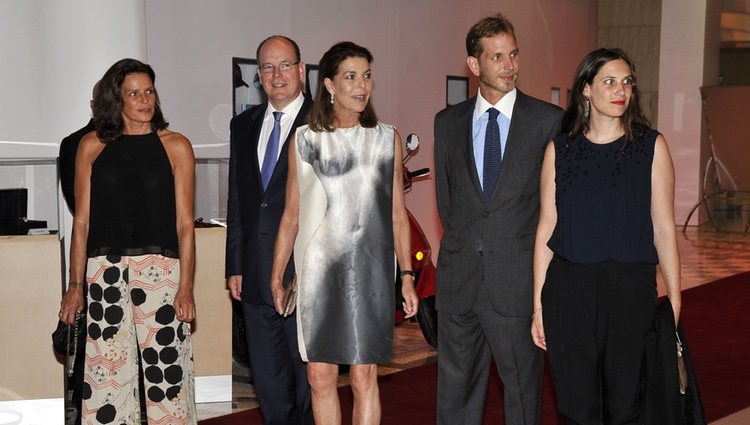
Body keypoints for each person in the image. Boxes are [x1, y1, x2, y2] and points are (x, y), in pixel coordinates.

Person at [269, 41, 418, 425]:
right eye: (351, 76)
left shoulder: (387, 138)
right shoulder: (304, 139)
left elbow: (398, 216)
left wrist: (406, 276)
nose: (362, 85)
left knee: (363, 374)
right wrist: (277, 274)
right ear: (330, 85)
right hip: (318, 271)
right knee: (319, 375)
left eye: (367, 76)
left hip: (370, 271)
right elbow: (291, 215)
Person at [530, 48, 681, 425]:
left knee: (627, 406)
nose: (620, 90)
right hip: (569, 293)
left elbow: (663, 227)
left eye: (627, 82)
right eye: (609, 81)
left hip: (630, 292)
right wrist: (538, 305)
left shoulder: (651, 146)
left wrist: (676, 299)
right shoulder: (559, 150)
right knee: (576, 408)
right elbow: (547, 228)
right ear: (585, 89)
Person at [433, 13, 563, 425]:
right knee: (455, 399)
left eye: (513, 55)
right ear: (474, 65)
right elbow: (448, 202)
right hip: (459, 282)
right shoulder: (447, 122)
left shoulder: (547, 121)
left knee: (523, 399)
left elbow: (552, 210)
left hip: (517, 283)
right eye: (497, 57)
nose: (510, 65)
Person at [58, 58, 197, 424]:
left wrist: (186, 286)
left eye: (149, 90)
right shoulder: (91, 146)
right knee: (107, 377)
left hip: (161, 272)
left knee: (168, 376)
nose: (144, 99)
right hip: (104, 273)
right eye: (133, 93)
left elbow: (185, 224)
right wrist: (75, 285)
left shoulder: (176, 146)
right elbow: (82, 221)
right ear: (116, 99)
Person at [225, 35, 314, 425]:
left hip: (307, 271)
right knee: (269, 381)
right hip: (256, 273)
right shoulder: (242, 125)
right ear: (258, 75)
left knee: (310, 378)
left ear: (301, 70)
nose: (276, 75)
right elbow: (238, 200)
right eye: (267, 67)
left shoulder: (324, 121)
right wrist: (235, 264)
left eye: (284, 65)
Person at [57, 81, 98, 425]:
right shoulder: (75, 144)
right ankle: (81, 400)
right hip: (91, 247)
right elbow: (78, 208)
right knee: (86, 330)